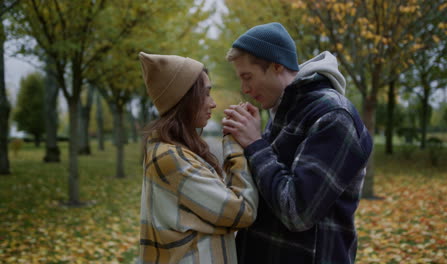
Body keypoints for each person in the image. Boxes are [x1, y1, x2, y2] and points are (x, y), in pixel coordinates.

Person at [221, 22, 373, 264]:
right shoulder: (283, 111)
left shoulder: (333, 117)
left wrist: (255, 144)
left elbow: (297, 213)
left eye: (247, 77)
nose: (244, 89)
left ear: (277, 65)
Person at [138, 52, 258, 264]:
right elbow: (242, 212)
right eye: (206, 93)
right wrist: (234, 144)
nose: (212, 103)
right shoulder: (169, 157)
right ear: (183, 98)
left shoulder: (176, 151)